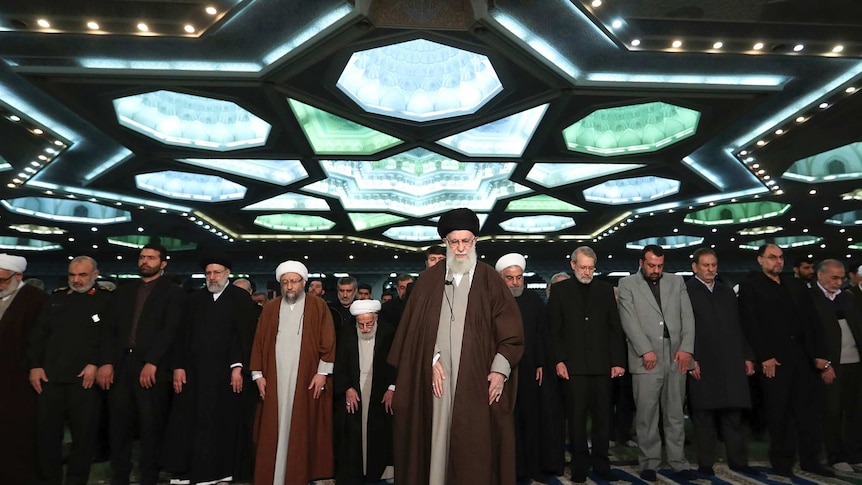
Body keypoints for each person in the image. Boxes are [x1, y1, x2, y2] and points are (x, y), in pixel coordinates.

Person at [388, 207, 524, 485]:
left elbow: (511, 334)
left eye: (466, 241)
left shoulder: (491, 281)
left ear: (475, 242)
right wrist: (430, 359)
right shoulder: (426, 281)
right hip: (437, 379)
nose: (461, 248)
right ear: (446, 243)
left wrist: (500, 371)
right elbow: (412, 335)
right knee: (435, 440)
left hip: (477, 379)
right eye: (454, 242)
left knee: (473, 444)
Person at [162, 254, 260, 485]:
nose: (213, 277)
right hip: (194, 375)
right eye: (209, 273)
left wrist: (238, 368)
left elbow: (244, 337)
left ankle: (221, 471)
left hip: (226, 377)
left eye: (217, 272)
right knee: (191, 421)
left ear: (227, 274)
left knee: (221, 423)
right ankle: (189, 470)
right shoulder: (194, 299)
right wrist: (179, 366)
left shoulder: (240, 299)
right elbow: (181, 336)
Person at [738, 243, 833, 478]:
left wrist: (821, 355)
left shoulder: (796, 284)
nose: (777, 261)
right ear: (760, 260)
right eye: (772, 257)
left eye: (780, 257)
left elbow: (813, 322)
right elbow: (750, 324)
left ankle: (811, 460)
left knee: (809, 412)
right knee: (780, 413)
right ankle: (782, 462)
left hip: (803, 357)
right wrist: (764, 357)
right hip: (774, 360)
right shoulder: (751, 286)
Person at [97, 242, 186, 485]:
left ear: (163, 263)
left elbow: (171, 330)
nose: (145, 262)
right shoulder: (123, 292)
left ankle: (149, 477)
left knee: (151, 427)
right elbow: (109, 330)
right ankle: (120, 476)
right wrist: (105, 362)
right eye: (142, 257)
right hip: (121, 365)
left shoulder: (174, 293)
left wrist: (152, 361)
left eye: (151, 258)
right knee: (118, 426)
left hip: (152, 368)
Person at [28, 256, 112, 485]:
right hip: (50, 379)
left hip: (85, 381)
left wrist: (96, 362)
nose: (76, 280)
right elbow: (38, 336)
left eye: (82, 275)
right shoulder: (55, 299)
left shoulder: (107, 301)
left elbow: (110, 338)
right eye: (72, 275)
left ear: (95, 275)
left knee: (84, 440)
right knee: (46, 438)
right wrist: (35, 365)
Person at [250, 260, 335, 485]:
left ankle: (298, 475)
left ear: (304, 282)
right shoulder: (270, 307)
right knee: (272, 427)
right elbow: (259, 341)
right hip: (275, 376)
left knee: (301, 426)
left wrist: (322, 373)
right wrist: (258, 375)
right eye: (285, 282)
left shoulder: (318, 306)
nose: (290, 287)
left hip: (306, 378)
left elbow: (328, 341)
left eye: (294, 282)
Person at [617, 244, 695, 482]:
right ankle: (649, 463)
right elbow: (628, 320)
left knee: (674, 413)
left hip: (675, 355)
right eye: (651, 265)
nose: (656, 269)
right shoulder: (627, 284)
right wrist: (645, 350)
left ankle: (678, 462)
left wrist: (686, 349)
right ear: (641, 262)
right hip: (646, 359)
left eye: (660, 265)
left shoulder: (677, 282)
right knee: (647, 414)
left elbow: (688, 317)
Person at [549, 246, 626, 483]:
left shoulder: (604, 290)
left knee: (603, 418)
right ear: (573, 265)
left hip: (603, 367)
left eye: (591, 268)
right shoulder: (560, 291)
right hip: (573, 368)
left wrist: (618, 361)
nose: (587, 272)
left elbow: (615, 328)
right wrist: (559, 361)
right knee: (576, 419)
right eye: (583, 267)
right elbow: (555, 331)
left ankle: (602, 464)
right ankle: (580, 466)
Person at [684, 248, 758, 476]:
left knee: (733, 414)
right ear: (695, 267)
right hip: (702, 361)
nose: (710, 269)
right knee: (704, 416)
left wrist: (747, 355)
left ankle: (738, 461)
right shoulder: (685, 291)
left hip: (731, 360)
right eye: (705, 265)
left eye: (713, 265)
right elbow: (682, 330)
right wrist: (691, 359)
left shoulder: (726, 292)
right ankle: (705, 463)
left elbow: (740, 326)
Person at [495, 253, 554, 483]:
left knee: (532, 419)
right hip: (502, 372)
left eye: (519, 277)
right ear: (502, 278)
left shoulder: (533, 301)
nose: (515, 283)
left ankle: (532, 468)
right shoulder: (493, 301)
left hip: (530, 370)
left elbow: (542, 335)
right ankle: (509, 469)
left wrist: (540, 362)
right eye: (510, 278)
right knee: (508, 422)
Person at [333, 299, 396, 484]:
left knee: (378, 433)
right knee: (353, 435)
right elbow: (340, 365)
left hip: (380, 390)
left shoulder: (388, 333)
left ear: (376, 318)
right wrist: (347, 388)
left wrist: (392, 387)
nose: (366, 328)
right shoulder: (346, 334)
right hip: (355, 389)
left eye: (369, 323)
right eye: (361, 324)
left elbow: (395, 363)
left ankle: (379, 473)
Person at [810, 259, 862, 472]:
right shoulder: (810, 299)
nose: (838, 282)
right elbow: (809, 335)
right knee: (832, 411)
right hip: (830, 366)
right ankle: (835, 456)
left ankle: (855, 454)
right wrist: (823, 364)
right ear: (820, 275)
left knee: (855, 411)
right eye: (834, 278)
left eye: (841, 278)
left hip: (855, 363)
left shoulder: (847, 298)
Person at [0, 253, 47, 484]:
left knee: (16, 431)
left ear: (18, 276)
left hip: (18, 377)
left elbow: (39, 338)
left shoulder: (34, 299)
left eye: (2, 280)